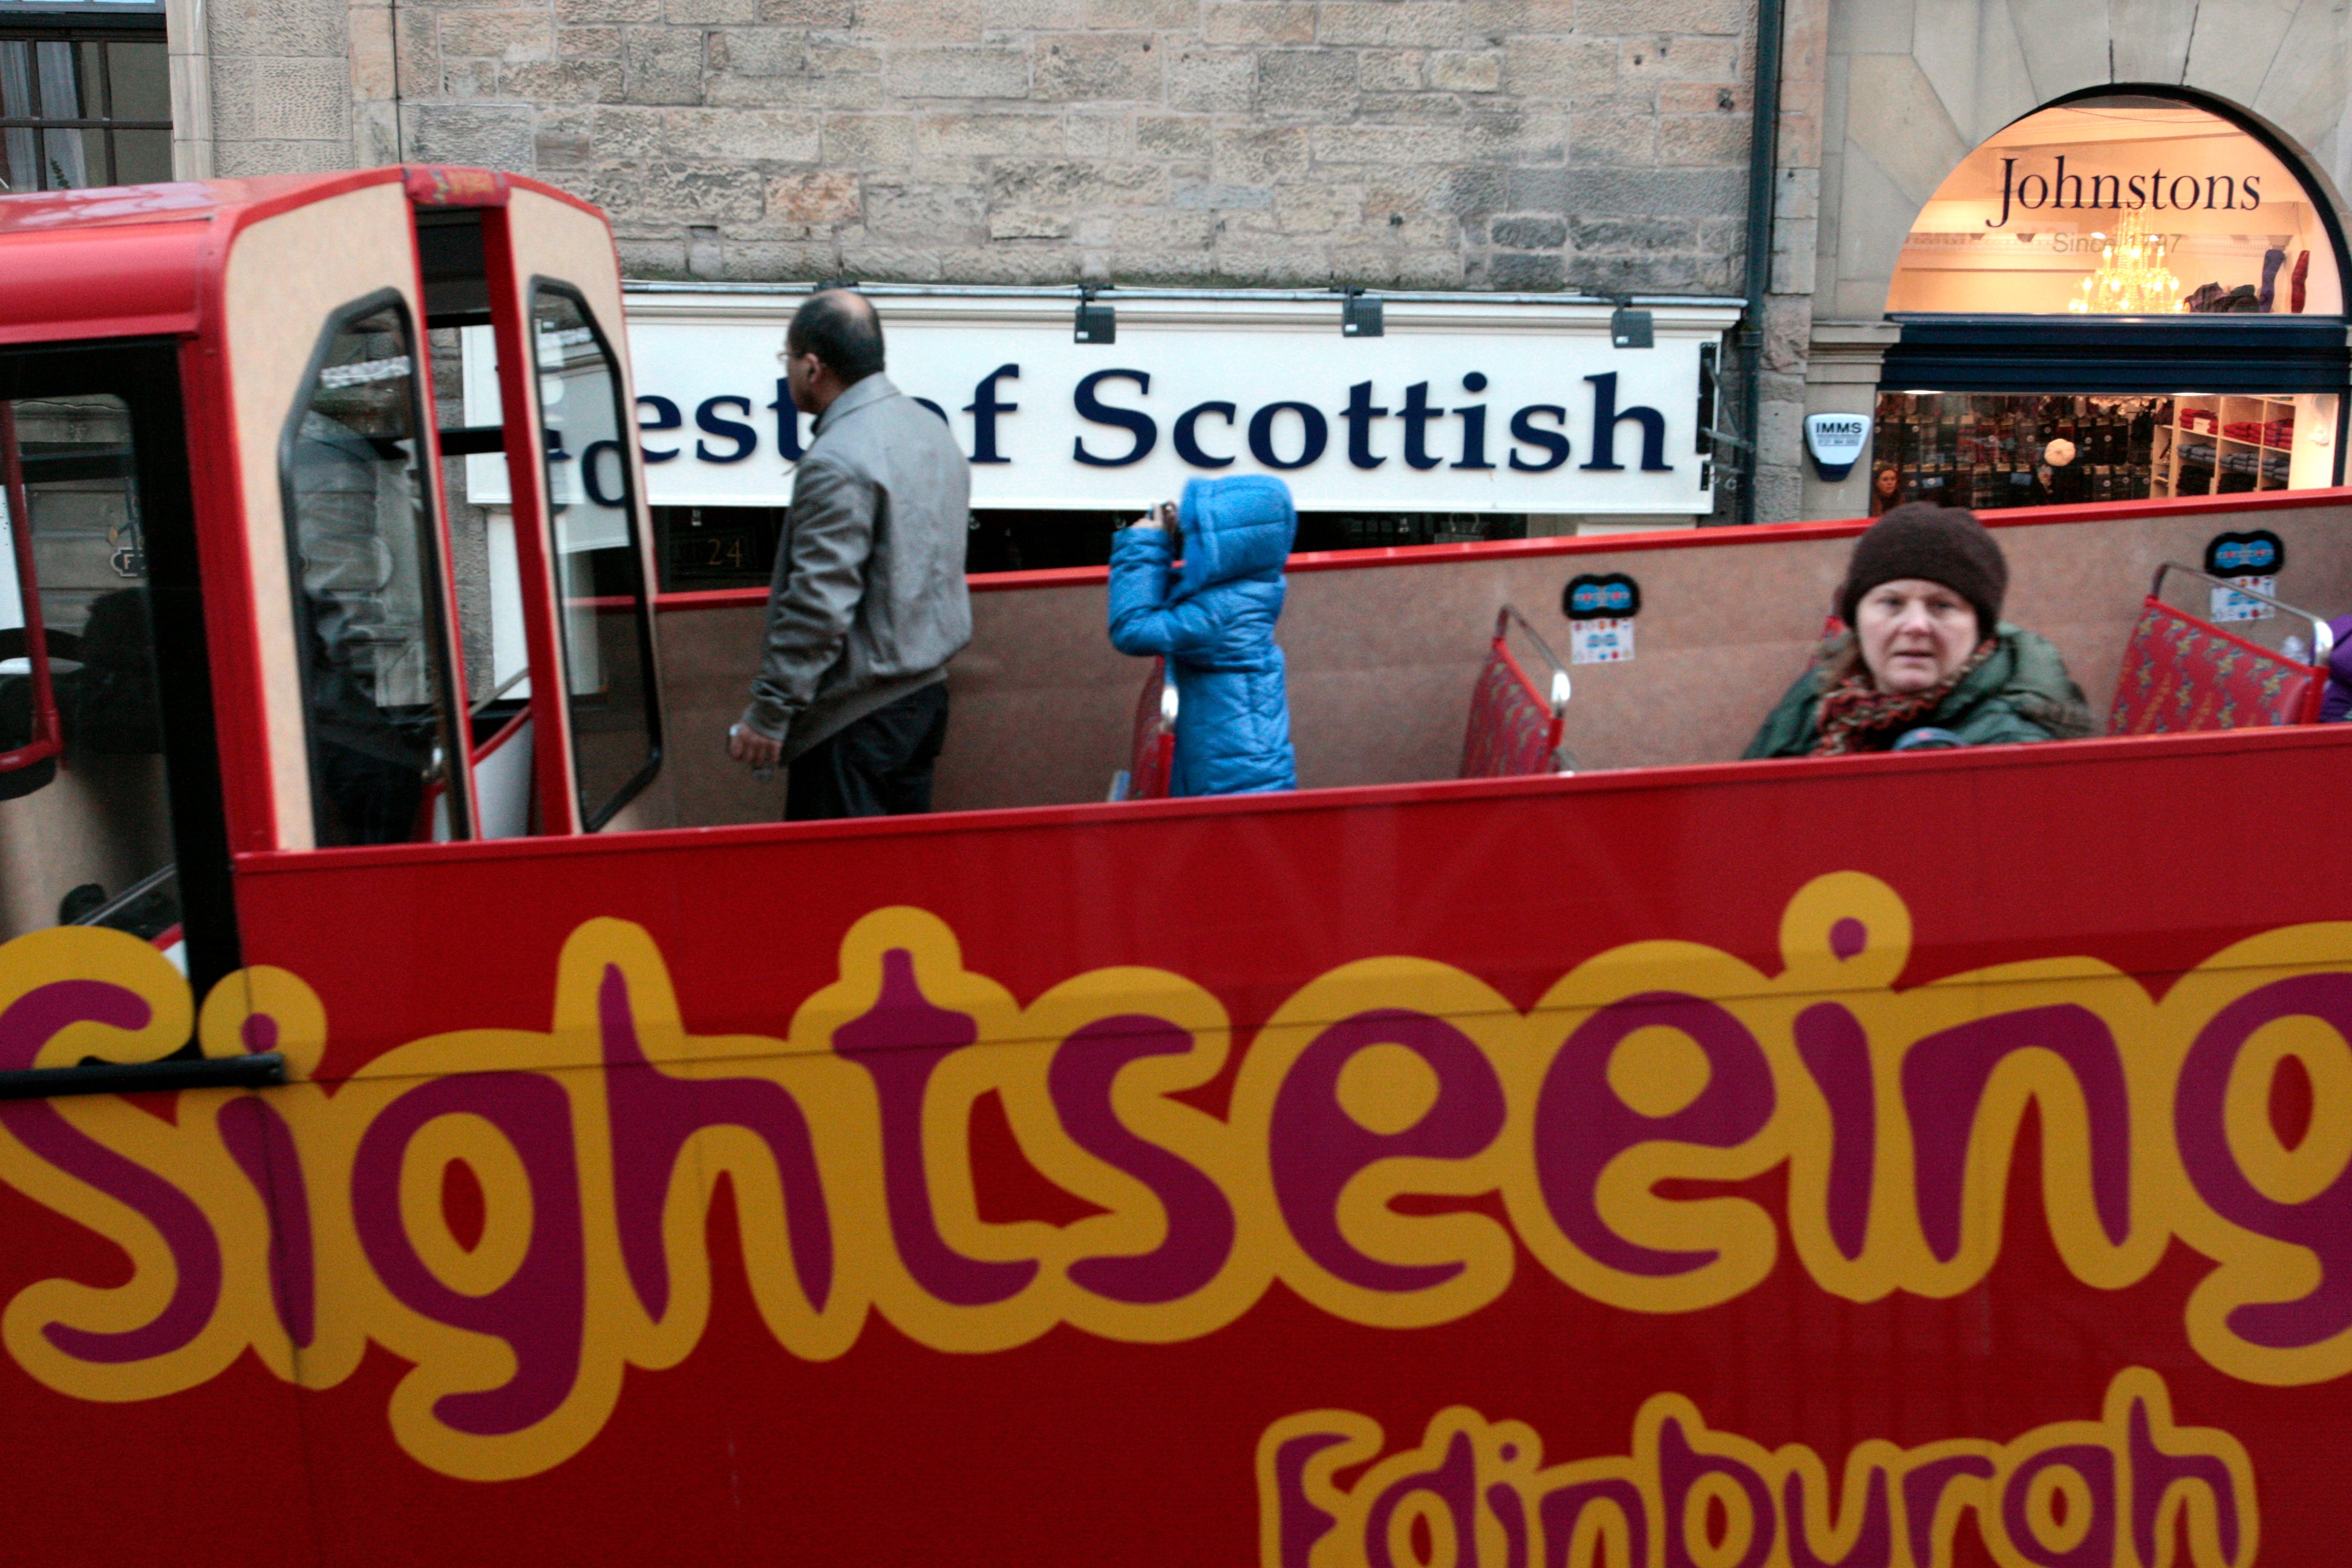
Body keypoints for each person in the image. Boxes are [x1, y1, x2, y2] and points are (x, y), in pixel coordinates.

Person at [729, 290, 973, 818]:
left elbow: (819, 602)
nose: (788, 371)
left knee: (838, 891)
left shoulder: (838, 458)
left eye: (787, 359)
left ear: (813, 367)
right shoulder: (932, 431)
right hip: (923, 703)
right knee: (892, 886)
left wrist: (770, 713)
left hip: (854, 723)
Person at [1745, 503, 2095, 758]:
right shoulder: (1816, 695)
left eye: (1942, 606)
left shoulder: (2013, 747)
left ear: (1980, 629)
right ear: (1856, 619)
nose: (1915, 626)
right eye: (1892, 603)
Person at [1108, 474, 1296, 795]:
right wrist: (1161, 542)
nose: (1189, 542)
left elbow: (1134, 630)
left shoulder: (1219, 612)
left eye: (1196, 538)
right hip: (1234, 760)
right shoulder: (1242, 591)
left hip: (1234, 776)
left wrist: (1142, 545)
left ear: (1226, 550)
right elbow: (1171, 604)